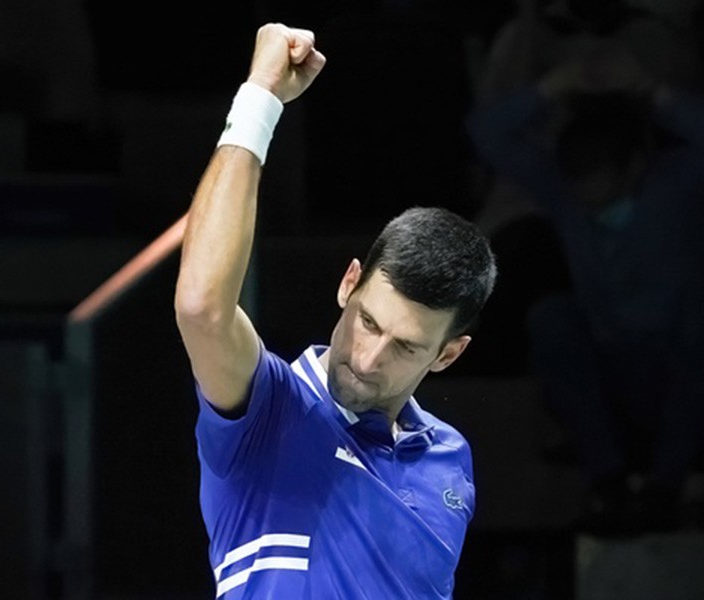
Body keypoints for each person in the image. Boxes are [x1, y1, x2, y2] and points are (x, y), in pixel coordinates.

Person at [174, 23, 498, 598]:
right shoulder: (268, 408)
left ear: (449, 354)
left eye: (405, 347)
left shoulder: (451, 461)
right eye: (369, 322)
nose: (369, 359)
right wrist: (260, 98)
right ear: (350, 283)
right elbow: (201, 306)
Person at [466, 47, 704, 536]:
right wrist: (554, 85)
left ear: (633, 168)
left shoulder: (677, 185)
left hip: (679, 367)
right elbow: (487, 131)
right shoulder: (564, 192)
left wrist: (650, 89)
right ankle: (609, 485)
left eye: (603, 191)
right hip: (609, 366)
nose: (591, 206)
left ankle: (662, 490)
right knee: (550, 318)